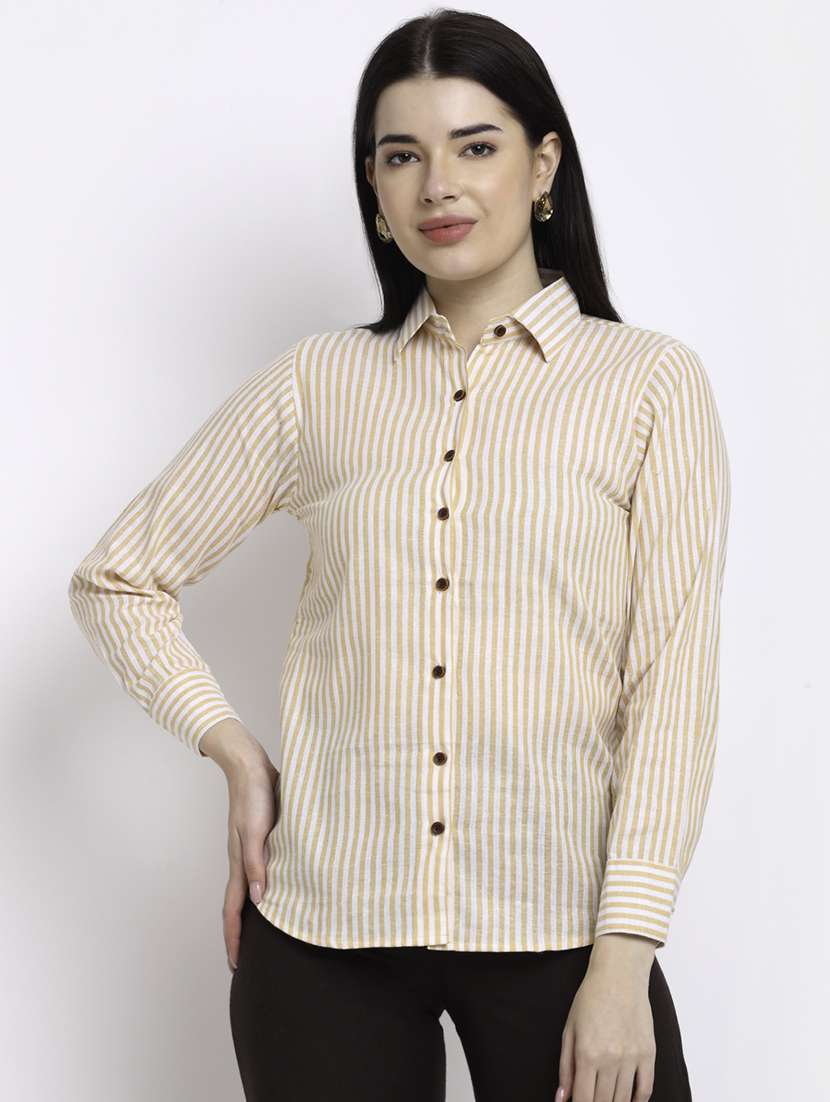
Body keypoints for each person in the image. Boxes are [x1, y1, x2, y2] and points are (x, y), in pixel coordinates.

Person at [68, 9, 730, 1101]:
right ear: (374, 189)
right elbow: (117, 579)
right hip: (325, 935)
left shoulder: (648, 385)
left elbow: (670, 685)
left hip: (562, 931)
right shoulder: (317, 383)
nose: (439, 186)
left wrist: (625, 958)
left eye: (476, 146)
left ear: (542, 166)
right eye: (401, 155)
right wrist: (233, 752)